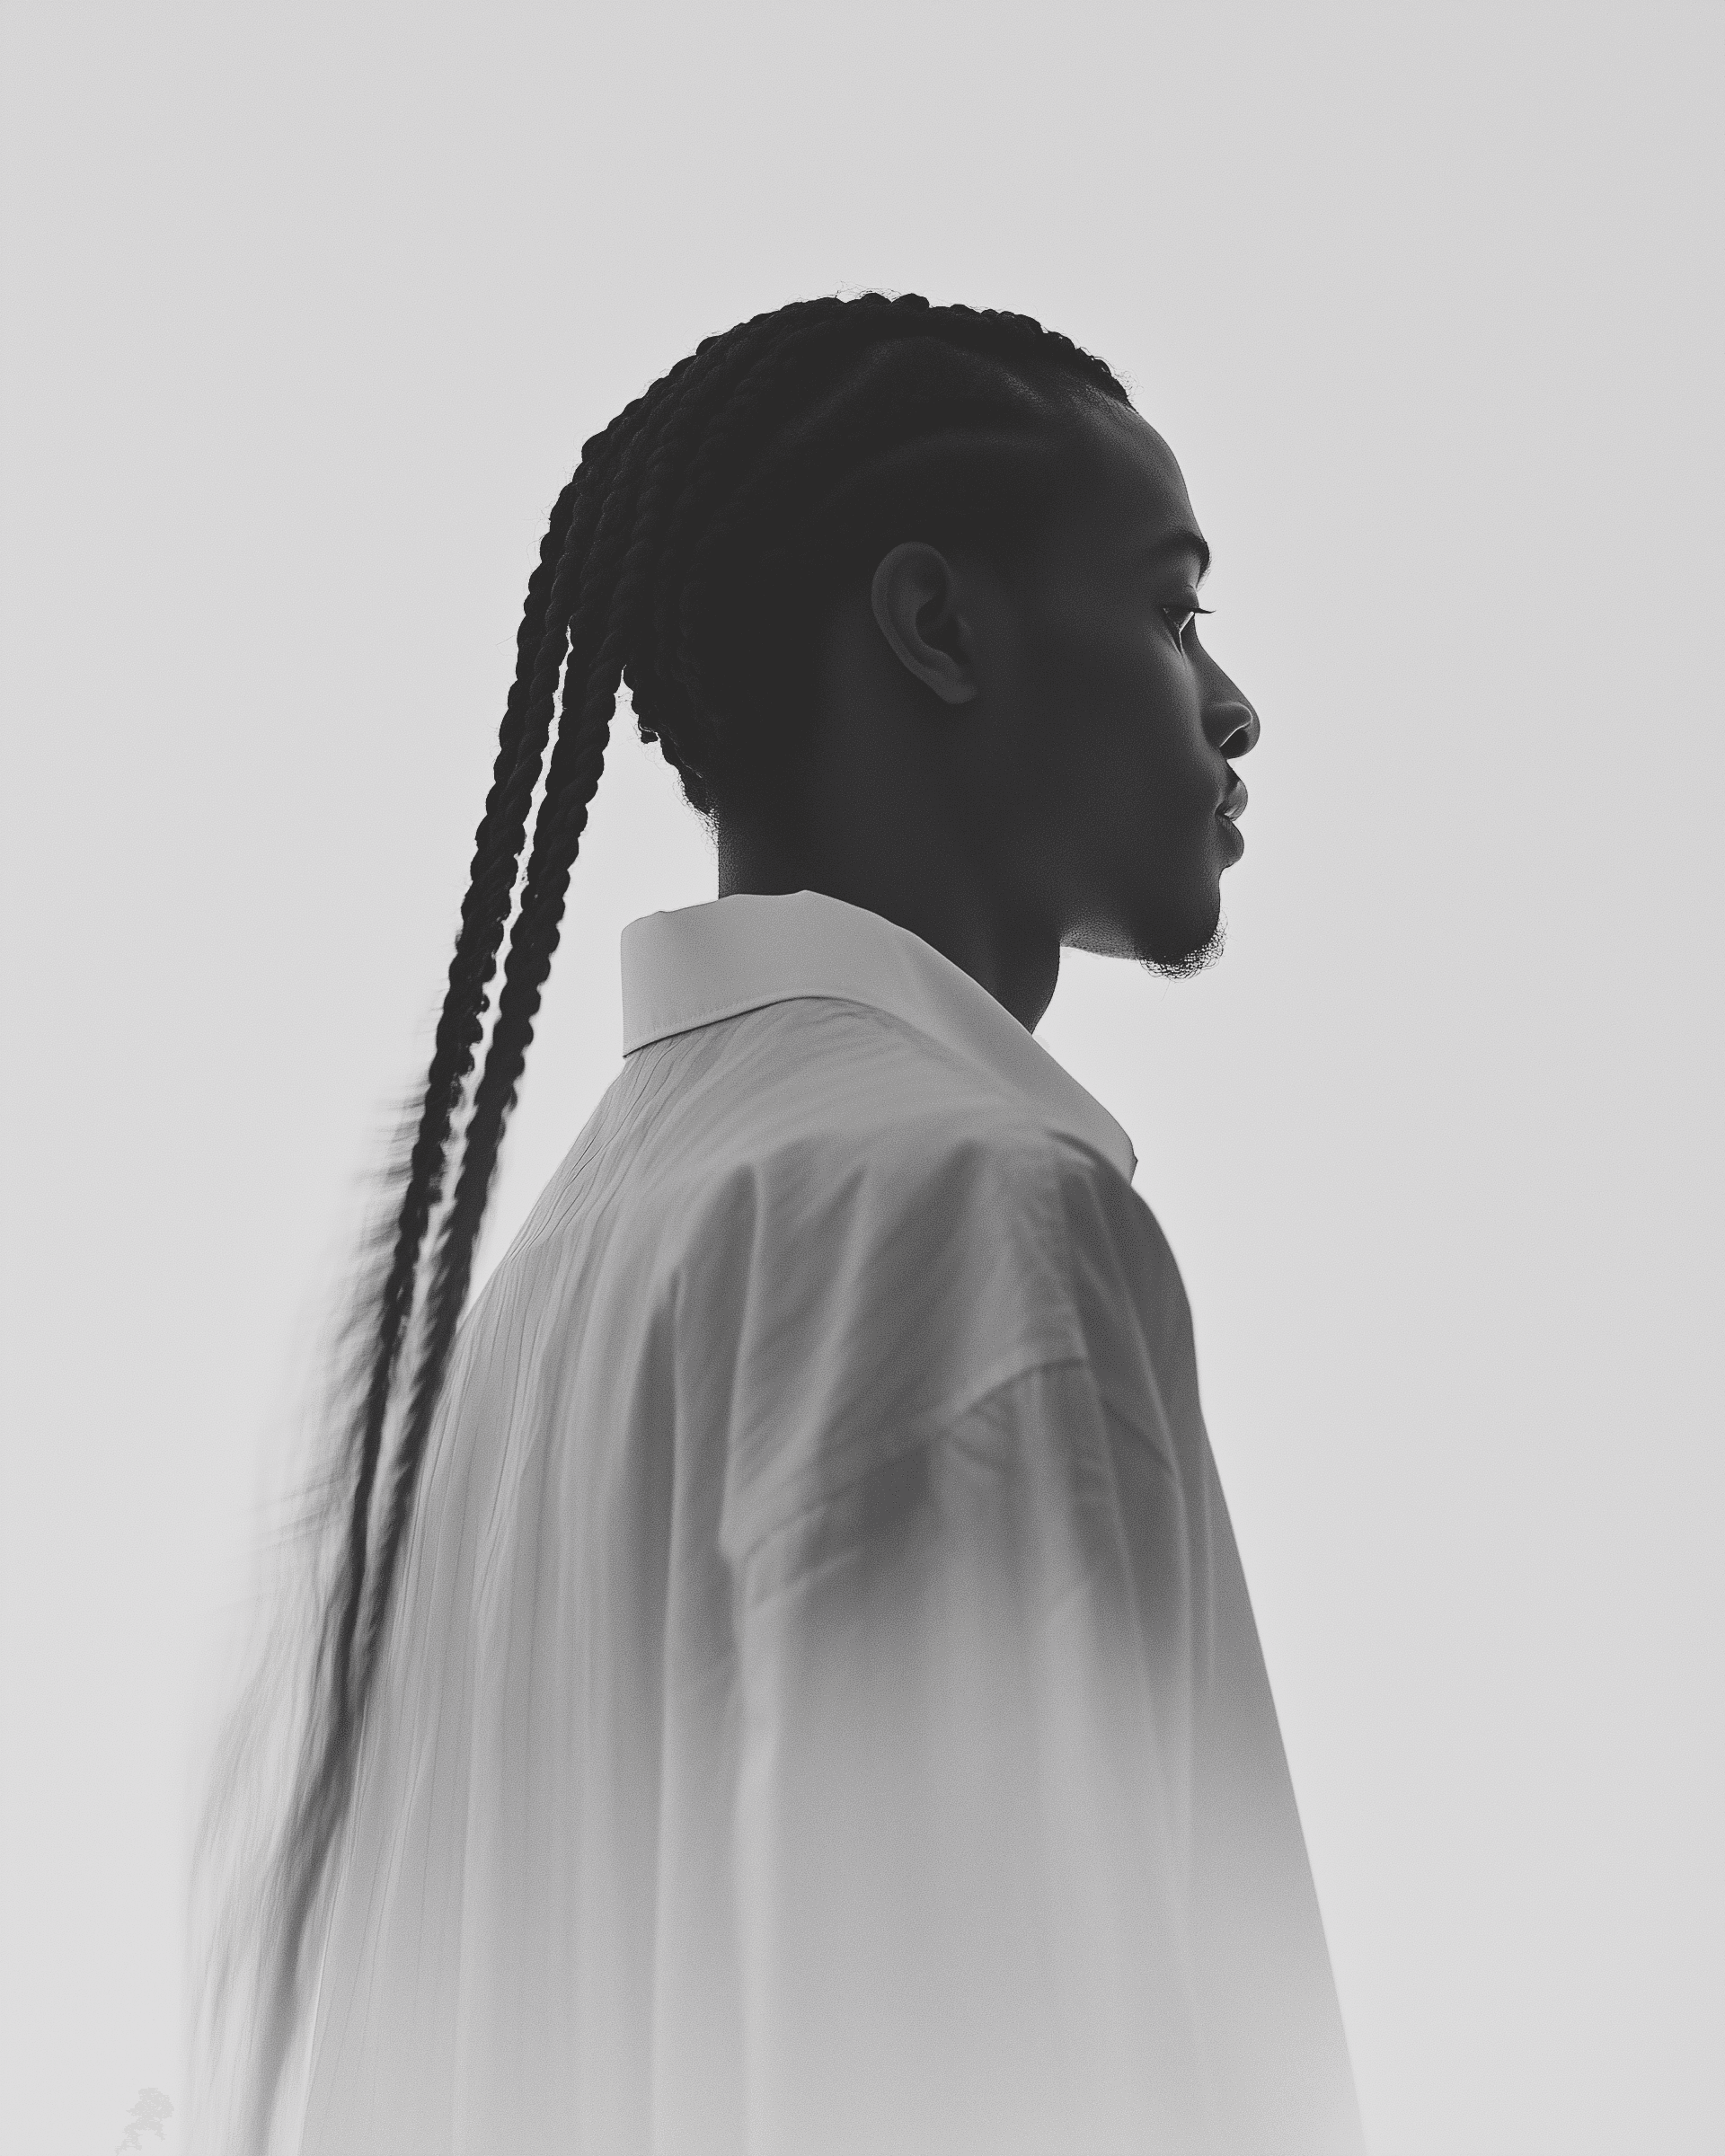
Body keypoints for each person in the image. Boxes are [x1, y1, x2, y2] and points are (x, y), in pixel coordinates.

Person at [190, 291, 1367, 2155]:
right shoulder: (953, 1203)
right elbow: (986, 2069)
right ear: (937, 626)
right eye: (1166, 604)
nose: (1229, 703)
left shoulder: (544, 1315)